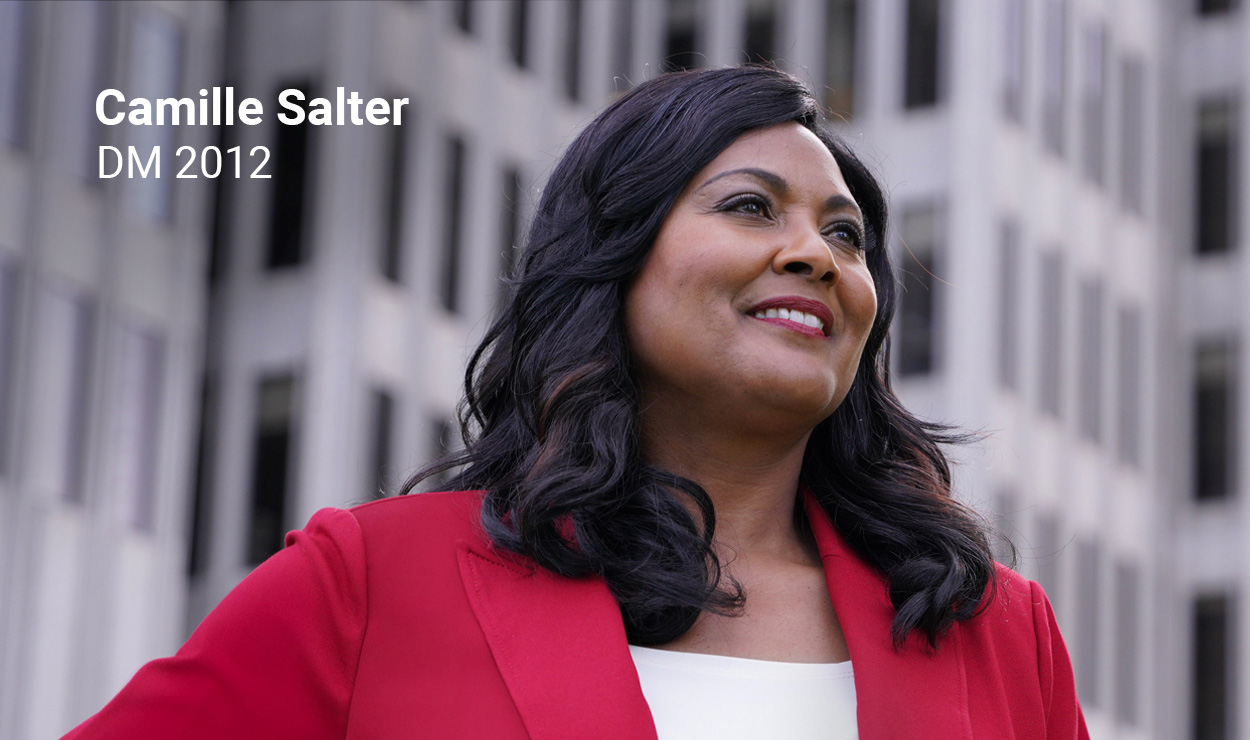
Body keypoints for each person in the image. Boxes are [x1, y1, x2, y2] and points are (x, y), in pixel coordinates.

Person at [63, 65, 1088, 740]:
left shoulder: (993, 628)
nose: (813, 255)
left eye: (846, 235)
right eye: (747, 206)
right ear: (613, 259)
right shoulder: (370, 581)